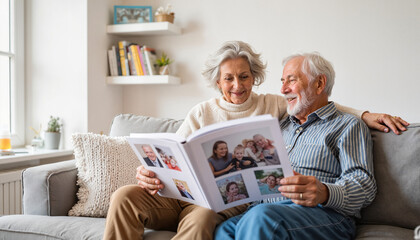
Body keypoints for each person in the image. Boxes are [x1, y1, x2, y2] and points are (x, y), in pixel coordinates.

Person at [103, 41, 408, 240]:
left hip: (310, 211)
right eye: (228, 78)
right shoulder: (283, 123)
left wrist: (364, 115)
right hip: (200, 197)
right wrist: (152, 172)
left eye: (292, 80)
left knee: (242, 217)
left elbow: (361, 181)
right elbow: (175, 158)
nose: (237, 85)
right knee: (130, 199)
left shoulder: (331, 122)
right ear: (217, 81)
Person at [214, 52, 381, 239]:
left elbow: (364, 185)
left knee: (260, 218)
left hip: (323, 214)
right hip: (266, 209)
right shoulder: (279, 126)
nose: (283, 89)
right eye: (282, 81)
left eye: (291, 81)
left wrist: (325, 192)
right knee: (224, 229)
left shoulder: (347, 126)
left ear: (319, 84)